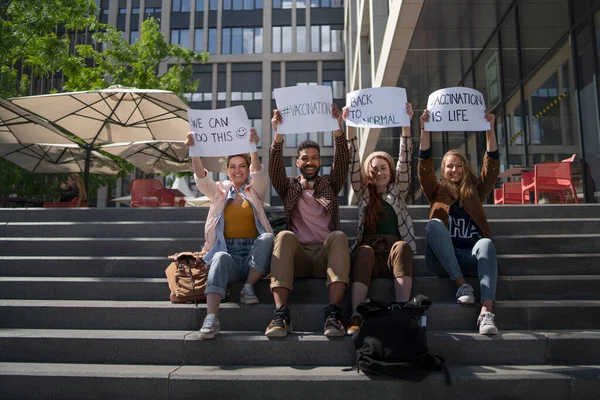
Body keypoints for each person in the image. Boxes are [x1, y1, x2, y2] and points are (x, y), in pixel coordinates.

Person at [266, 104, 351, 338]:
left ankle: (333, 315)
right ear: (298, 163)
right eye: (305, 158)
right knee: (283, 236)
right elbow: (274, 167)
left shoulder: (329, 184)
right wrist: (278, 132)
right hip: (300, 257)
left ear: (319, 163)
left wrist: (337, 127)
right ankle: (280, 316)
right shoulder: (289, 187)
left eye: (315, 158)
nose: (310, 161)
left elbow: (342, 161)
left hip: (326, 255)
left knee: (340, 237)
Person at [185, 127, 274, 340]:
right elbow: (201, 180)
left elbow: (259, 175)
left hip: (253, 257)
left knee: (268, 238)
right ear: (227, 171)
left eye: (242, 166)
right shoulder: (220, 192)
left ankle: (248, 287)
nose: (238, 170)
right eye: (233, 167)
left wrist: (252, 147)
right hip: (228, 254)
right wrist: (194, 151)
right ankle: (211, 318)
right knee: (219, 257)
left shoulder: (255, 192)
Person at [418, 108, 500, 335]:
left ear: (464, 167)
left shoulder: (475, 190)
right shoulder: (436, 191)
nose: (454, 170)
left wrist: (490, 129)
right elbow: (424, 167)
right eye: (449, 166)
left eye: (458, 165)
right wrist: (424, 130)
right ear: (443, 170)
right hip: (442, 261)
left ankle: (486, 311)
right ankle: (461, 284)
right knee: (434, 224)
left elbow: (491, 168)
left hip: (470, 255)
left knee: (486, 244)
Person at [344, 102, 418, 335]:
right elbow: (353, 160)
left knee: (403, 246)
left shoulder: (399, 190)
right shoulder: (363, 191)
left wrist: (406, 124)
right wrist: (350, 126)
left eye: (383, 167)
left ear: (390, 170)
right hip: (370, 255)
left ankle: (402, 309)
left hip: (393, 256)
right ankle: (356, 313)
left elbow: (405, 160)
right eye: (374, 169)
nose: (379, 172)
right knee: (363, 251)